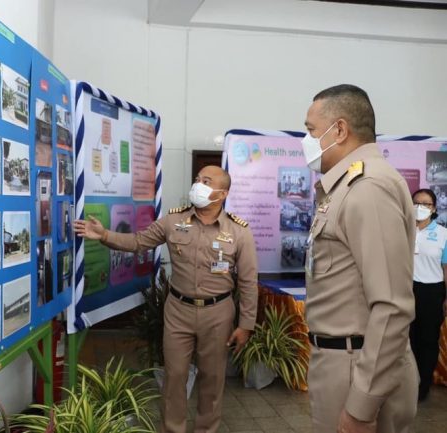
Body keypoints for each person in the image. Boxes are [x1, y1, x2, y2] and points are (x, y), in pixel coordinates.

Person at [74, 165, 258, 433]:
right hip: (178, 311)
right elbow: (138, 241)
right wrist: (104, 235)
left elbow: (249, 282)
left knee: (212, 379)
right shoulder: (174, 221)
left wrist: (246, 325)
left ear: (223, 193)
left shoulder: (239, 231)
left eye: (207, 181)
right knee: (174, 376)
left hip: (218, 313)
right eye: (198, 179)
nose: (198, 184)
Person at [302, 84, 417, 433]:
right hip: (346, 360)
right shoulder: (349, 185)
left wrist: (361, 406)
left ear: (339, 130)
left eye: (311, 130)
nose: (306, 140)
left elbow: (392, 306)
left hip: (356, 366)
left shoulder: (368, 187)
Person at [409, 188, 447, 401]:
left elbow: (446, 268)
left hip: (432, 292)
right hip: (406, 290)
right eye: (416, 203)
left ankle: (422, 386)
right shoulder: (403, 230)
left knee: (428, 340)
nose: (420, 207)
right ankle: (406, 384)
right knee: (407, 339)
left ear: (433, 209)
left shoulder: (443, 234)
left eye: (426, 204)